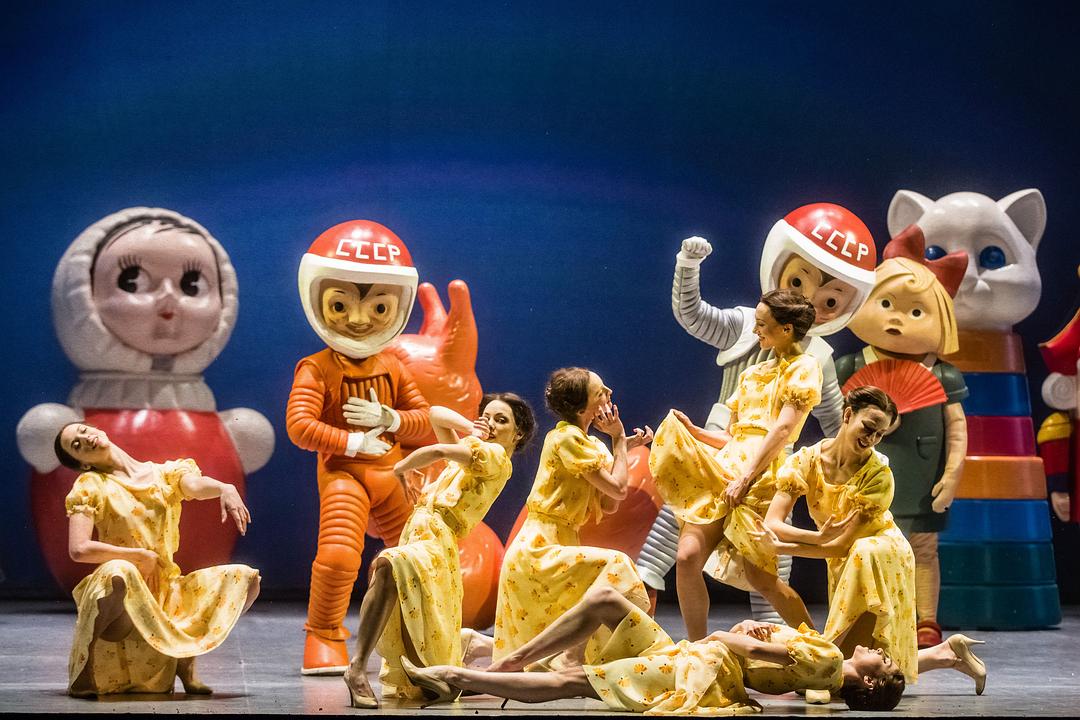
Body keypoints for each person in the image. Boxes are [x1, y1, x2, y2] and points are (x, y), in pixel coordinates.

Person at [637, 203, 878, 625]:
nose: (807, 298)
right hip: (722, 454)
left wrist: (855, 461)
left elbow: (820, 420)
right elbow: (694, 314)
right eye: (799, 280)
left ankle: (794, 643)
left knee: (765, 570)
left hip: (766, 467)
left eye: (830, 298)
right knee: (675, 537)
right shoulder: (749, 338)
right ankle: (683, 637)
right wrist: (688, 265)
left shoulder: (813, 362)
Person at [762, 385, 987, 701]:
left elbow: (840, 545)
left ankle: (821, 669)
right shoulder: (807, 461)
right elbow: (773, 523)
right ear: (847, 415)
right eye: (868, 427)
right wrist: (814, 538)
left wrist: (784, 547)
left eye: (880, 434)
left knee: (862, 556)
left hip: (881, 552)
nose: (871, 438)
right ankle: (947, 653)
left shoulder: (879, 473)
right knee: (867, 659)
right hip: (846, 558)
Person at [287, 220, 432, 673]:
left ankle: (422, 635)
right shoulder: (316, 369)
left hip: (393, 477)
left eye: (379, 307)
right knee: (337, 556)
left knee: (418, 560)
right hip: (345, 477)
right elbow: (300, 427)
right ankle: (324, 634)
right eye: (340, 305)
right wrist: (353, 440)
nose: (357, 320)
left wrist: (390, 419)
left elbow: (423, 421)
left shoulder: (393, 366)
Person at [399, 585, 907, 713]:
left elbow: (749, 651)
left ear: (868, 681)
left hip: (699, 667)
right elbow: (766, 654)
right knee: (604, 599)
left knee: (577, 682)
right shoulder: (823, 677)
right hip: (699, 662)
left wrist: (727, 637)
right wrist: (753, 629)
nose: (877, 649)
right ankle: (509, 662)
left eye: (882, 661)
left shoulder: (830, 661)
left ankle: (454, 677)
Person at [342, 394, 536, 708]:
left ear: (518, 433)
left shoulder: (495, 456)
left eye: (501, 420)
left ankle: (357, 667)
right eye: (487, 416)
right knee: (397, 593)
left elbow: (439, 450)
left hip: (437, 538)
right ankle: (371, 669)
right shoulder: (473, 454)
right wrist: (472, 426)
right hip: (419, 530)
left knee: (388, 564)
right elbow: (435, 413)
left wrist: (401, 467)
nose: (491, 425)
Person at [649, 290, 821, 639]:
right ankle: (699, 649)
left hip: (761, 475)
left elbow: (782, 429)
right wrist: (695, 431)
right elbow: (732, 435)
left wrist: (746, 477)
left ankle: (818, 646)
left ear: (786, 329)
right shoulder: (752, 373)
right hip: (726, 469)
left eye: (762, 324)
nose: (756, 330)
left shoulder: (804, 368)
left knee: (763, 579)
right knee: (687, 557)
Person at [58, 422, 260, 698]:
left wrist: (224, 488)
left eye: (82, 431)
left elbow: (194, 486)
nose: (85, 439)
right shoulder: (91, 484)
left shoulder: (164, 474)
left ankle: (185, 662)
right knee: (120, 569)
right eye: (76, 445)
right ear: (82, 463)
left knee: (246, 579)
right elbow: (79, 549)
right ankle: (84, 667)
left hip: (165, 593)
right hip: (123, 599)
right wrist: (138, 556)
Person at [492, 368, 652, 664]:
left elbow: (609, 503)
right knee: (616, 565)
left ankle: (580, 655)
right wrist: (619, 440)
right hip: (537, 548)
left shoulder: (588, 444)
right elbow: (618, 489)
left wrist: (623, 445)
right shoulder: (565, 438)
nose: (609, 394)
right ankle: (580, 655)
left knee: (556, 638)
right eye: (600, 392)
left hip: (561, 540)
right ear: (582, 409)